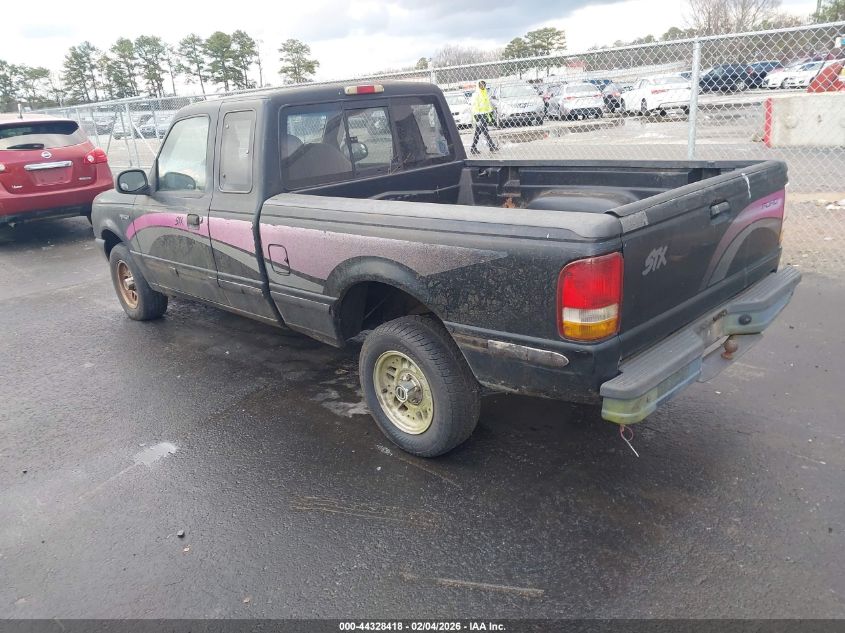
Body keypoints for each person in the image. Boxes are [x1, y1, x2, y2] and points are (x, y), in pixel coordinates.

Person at [470, 80, 498, 154]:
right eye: (481, 85)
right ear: (478, 86)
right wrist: (477, 118)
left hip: (485, 116)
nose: (482, 86)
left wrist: (491, 117)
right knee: (485, 131)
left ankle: (473, 148)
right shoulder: (476, 95)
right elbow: (474, 107)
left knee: (477, 133)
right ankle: (492, 146)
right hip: (479, 116)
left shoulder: (485, 93)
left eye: (484, 84)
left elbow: (488, 107)